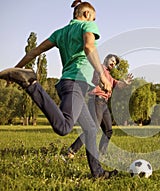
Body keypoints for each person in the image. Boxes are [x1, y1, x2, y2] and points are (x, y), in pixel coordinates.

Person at [0, 1, 117, 178]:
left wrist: (15, 70)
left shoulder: (61, 32)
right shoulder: (88, 24)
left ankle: (98, 173)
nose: (95, 21)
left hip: (69, 84)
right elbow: (89, 46)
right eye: (94, 17)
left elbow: (35, 51)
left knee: (91, 129)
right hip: (74, 83)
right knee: (64, 127)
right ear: (86, 15)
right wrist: (101, 74)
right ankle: (31, 84)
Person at [66, 54, 133, 159]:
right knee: (93, 128)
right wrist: (101, 83)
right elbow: (95, 80)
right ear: (106, 59)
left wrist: (125, 83)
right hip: (96, 100)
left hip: (104, 103)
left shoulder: (109, 76)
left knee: (108, 130)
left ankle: (101, 154)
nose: (113, 64)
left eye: (115, 63)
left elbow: (117, 85)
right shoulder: (99, 68)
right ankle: (72, 150)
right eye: (112, 61)